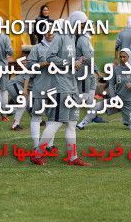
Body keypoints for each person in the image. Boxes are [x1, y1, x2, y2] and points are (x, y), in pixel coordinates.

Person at [33, 12, 91, 166]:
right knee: (56, 122)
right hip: (61, 86)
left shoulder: (72, 36)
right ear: (75, 22)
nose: (83, 28)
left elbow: (71, 60)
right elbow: (50, 57)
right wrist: (70, 63)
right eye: (82, 24)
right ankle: (37, 154)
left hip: (72, 85)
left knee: (72, 123)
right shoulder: (61, 36)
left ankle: (73, 158)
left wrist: (79, 61)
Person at [26, 30, 54, 150]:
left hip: (56, 87)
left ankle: (49, 145)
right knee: (37, 116)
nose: (50, 34)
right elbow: (29, 65)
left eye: (52, 32)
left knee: (53, 118)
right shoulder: (37, 48)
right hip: (41, 86)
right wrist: (43, 64)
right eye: (47, 32)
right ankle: (36, 145)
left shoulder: (60, 47)